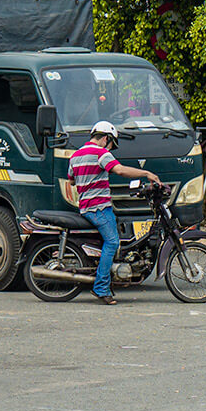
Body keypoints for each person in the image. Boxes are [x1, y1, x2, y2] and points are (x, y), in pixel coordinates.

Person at [70, 121, 161, 306]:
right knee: (112, 242)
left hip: (85, 207)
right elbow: (119, 170)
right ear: (106, 138)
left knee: (110, 239)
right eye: (111, 144)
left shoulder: (75, 155)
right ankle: (101, 287)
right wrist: (146, 173)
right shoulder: (101, 153)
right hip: (99, 208)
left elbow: (72, 181)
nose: (110, 148)